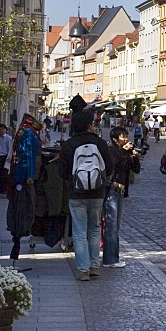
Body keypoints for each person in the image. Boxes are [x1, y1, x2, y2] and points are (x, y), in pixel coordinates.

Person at [59, 110, 115, 281]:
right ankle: (94, 267)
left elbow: (62, 171)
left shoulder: (69, 144)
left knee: (79, 232)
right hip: (98, 192)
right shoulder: (100, 143)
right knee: (94, 228)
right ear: (90, 124)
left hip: (76, 194)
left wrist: (75, 180)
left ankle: (83, 270)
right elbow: (110, 166)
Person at [103, 126, 140, 268]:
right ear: (115, 139)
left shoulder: (124, 153)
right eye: (122, 136)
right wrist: (123, 150)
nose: (126, 138)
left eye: (126, 135)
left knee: (116, 226)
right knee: (111, 226)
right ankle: (110, 260)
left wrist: (134, 155)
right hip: (112, 190)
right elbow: (111, 165)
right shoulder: (112, 151)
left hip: (121, 192)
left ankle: (113, 257)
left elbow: (135, 170)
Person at [0, 124, 12, 193]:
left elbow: (9, 148)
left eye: (2, 129)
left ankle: (5, 189)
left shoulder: (8, 138)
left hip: (4, 157)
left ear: (5, 130)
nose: (1, 131)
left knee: (4, 174)